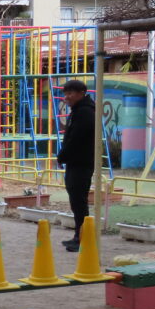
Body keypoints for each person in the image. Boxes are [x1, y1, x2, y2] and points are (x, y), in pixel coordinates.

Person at [56, 80, 96, 253]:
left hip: (81, 162)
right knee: (76, 200)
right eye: (65, 93)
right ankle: (78, 236)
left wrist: (63, 155)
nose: (67, 97)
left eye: (70, 93)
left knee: (79, 201)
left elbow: (76, 139)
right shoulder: (78, 111)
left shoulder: (85, 112)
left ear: (81, 93)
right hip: (75, 161)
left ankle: (83, 238)